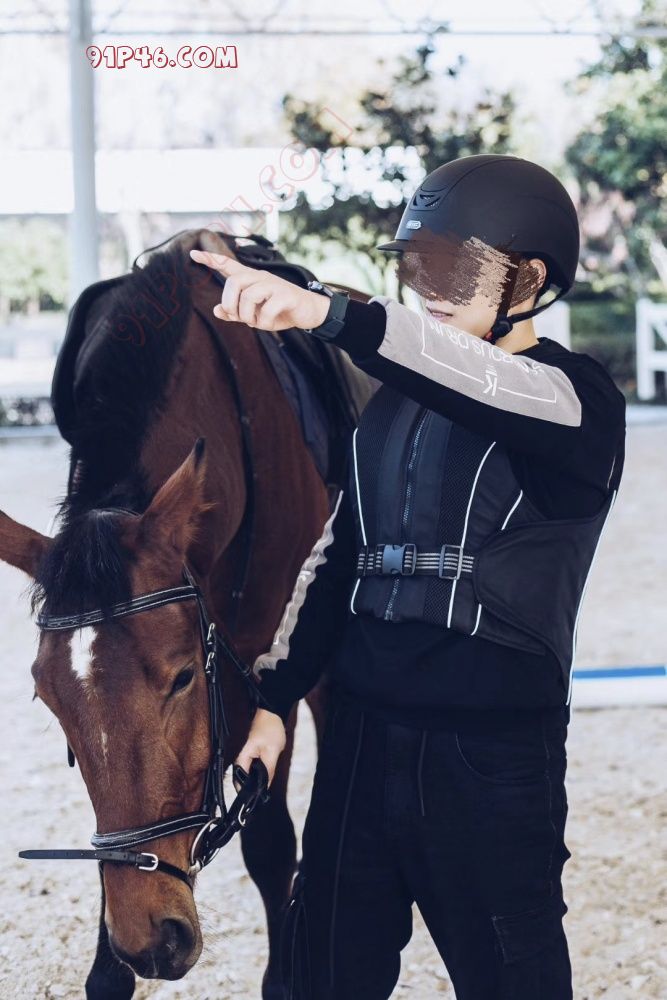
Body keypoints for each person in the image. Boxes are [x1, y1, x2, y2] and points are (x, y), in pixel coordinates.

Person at [190, 153, 627, 1000]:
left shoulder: (576, 403)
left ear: (530, 281)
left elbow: (477, 377)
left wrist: (325, 313)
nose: (429, 289)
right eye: (416, 267)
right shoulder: (387, 412)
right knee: (314, 980)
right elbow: (336, 561)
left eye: (455, 269)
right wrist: (275, 703)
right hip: (359, 744)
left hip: (489, 761)